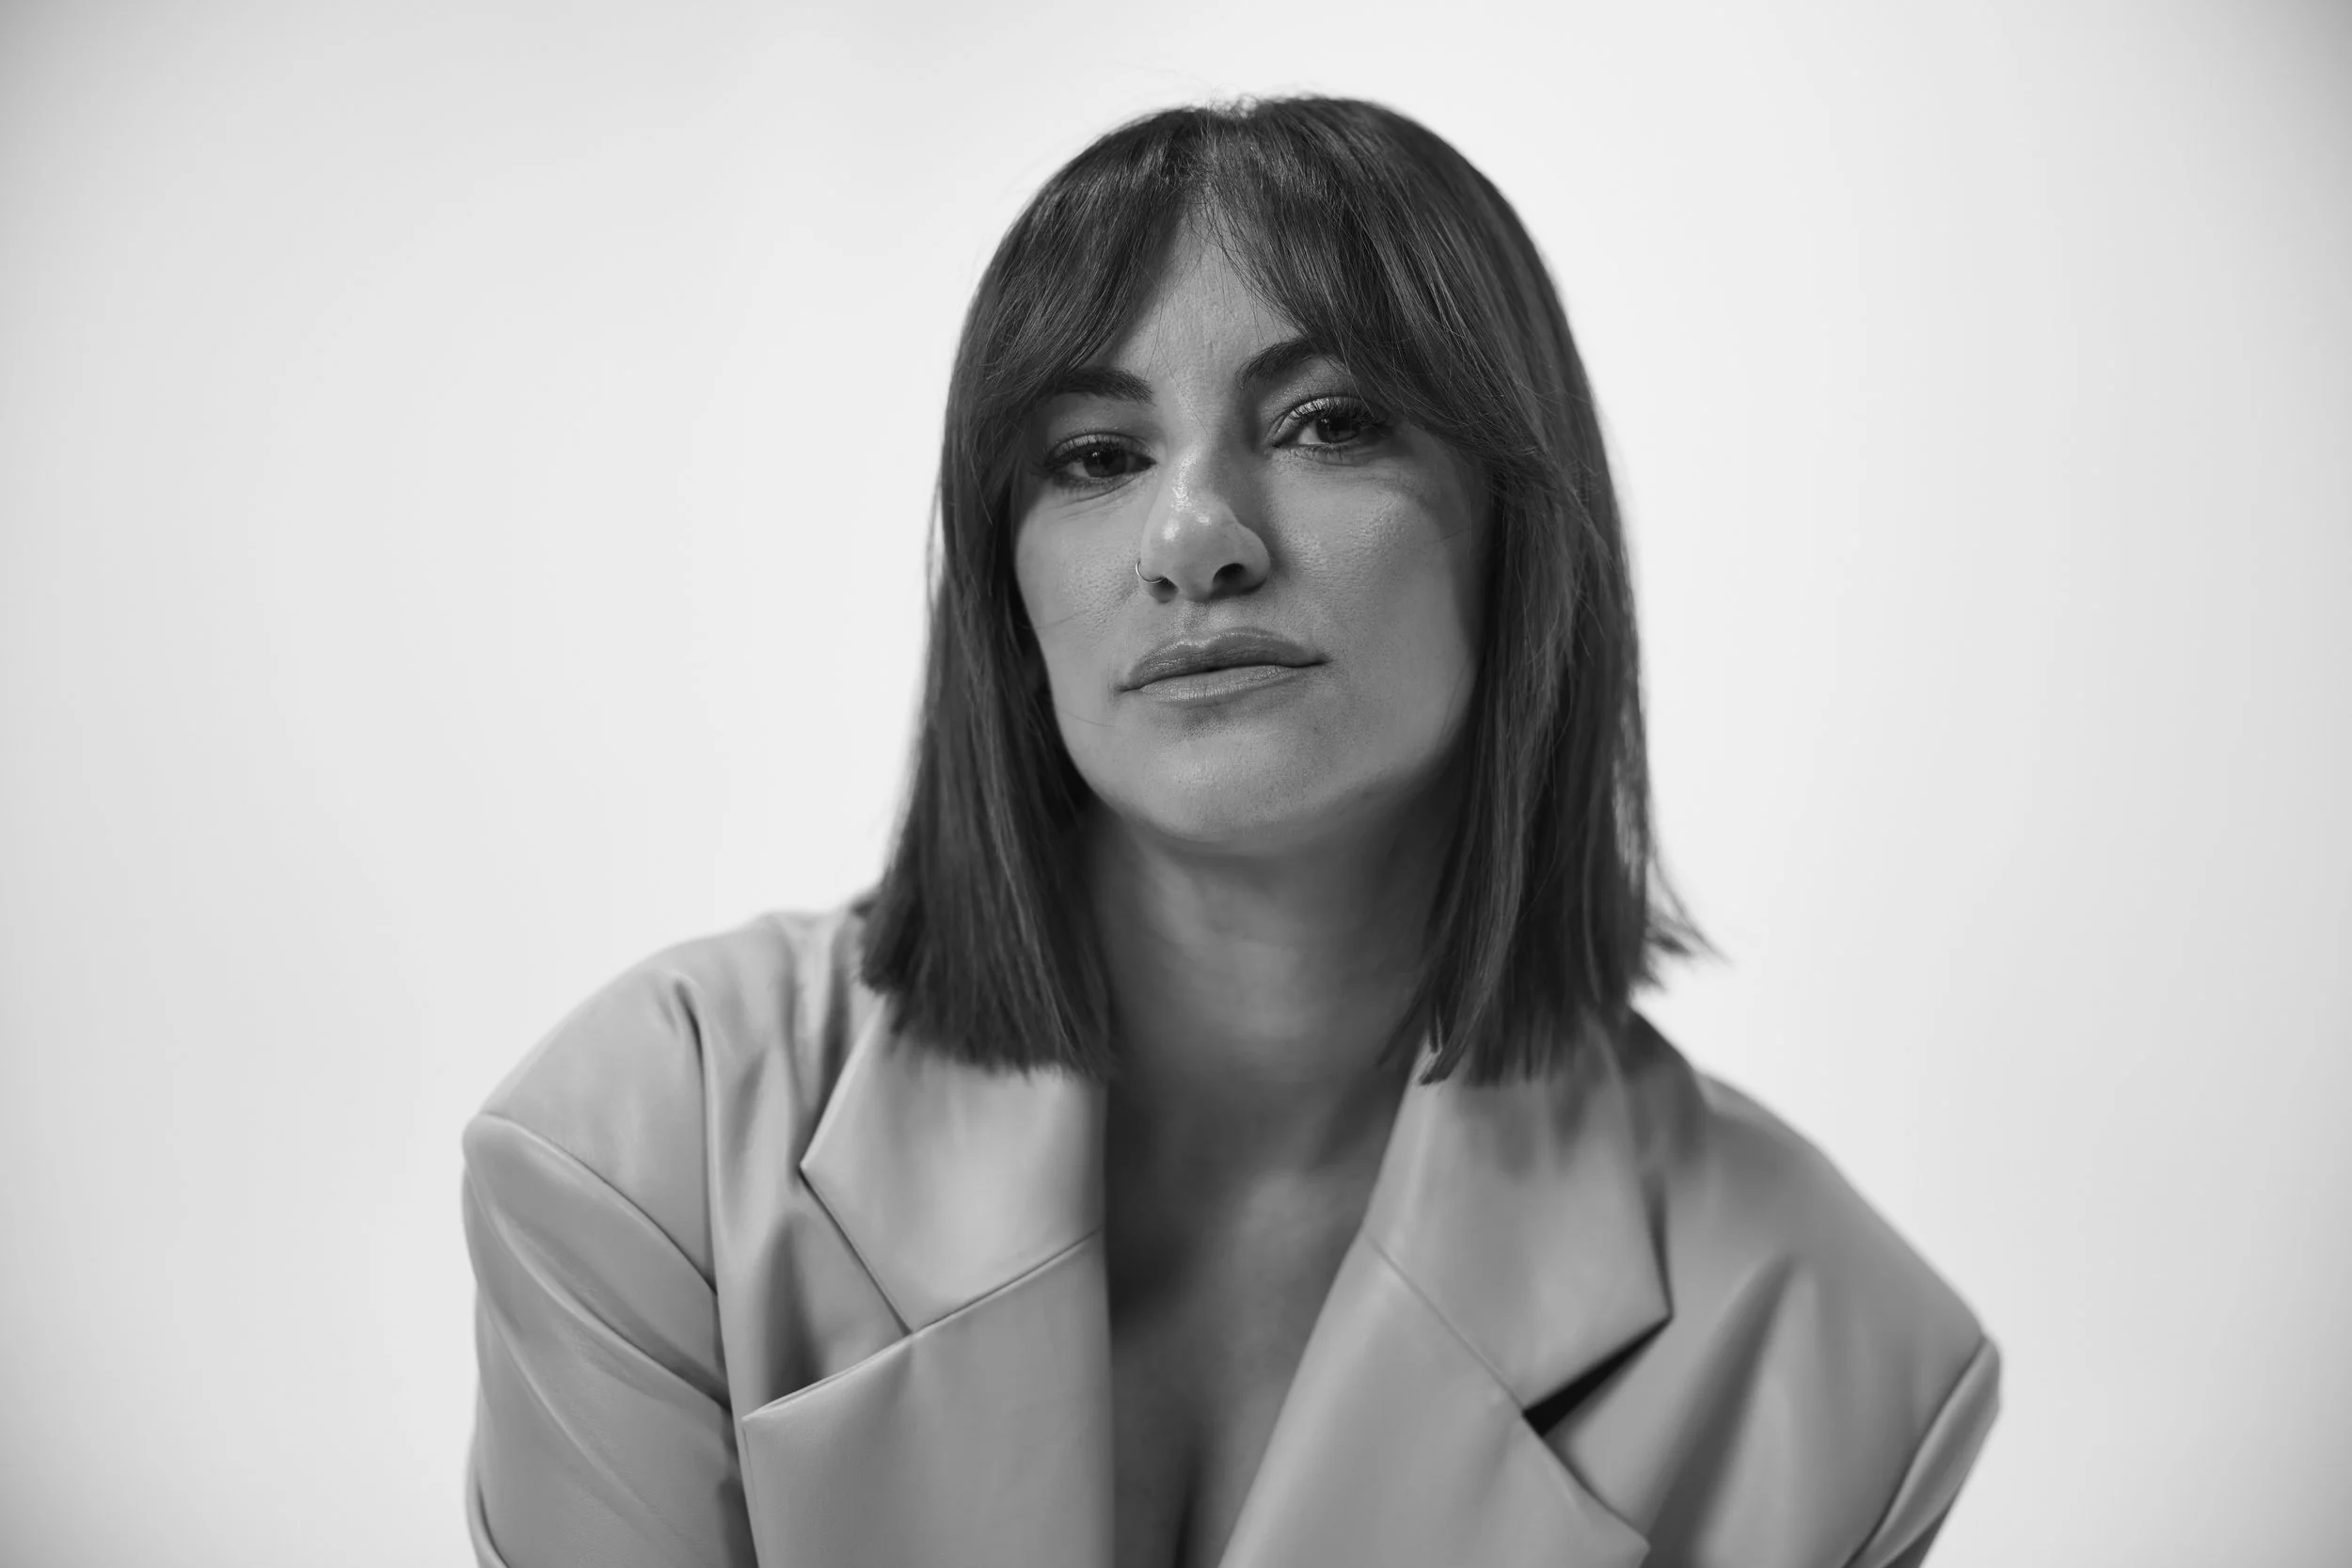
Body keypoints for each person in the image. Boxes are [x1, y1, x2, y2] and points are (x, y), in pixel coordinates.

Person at [459, 95, 1998, 1568]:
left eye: (1329, 423)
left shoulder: (1833, 1350)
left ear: (1520, 536)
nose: (1193, 537)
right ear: (1006, 589)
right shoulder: (643, 1144)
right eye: (1095, 455)